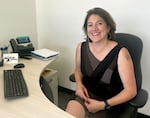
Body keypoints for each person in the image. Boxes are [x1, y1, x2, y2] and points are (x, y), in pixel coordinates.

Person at [66, 7, 137, 118]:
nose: (94, 28)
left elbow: (131, 91)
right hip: (86, 97)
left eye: (99, 23)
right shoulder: (81, 47)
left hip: (111, 103)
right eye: (90, 25)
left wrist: (103, 105)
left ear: (108, 27)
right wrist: (79, 85)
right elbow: (78, 70)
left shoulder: (121, 53)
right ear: (86, 29)